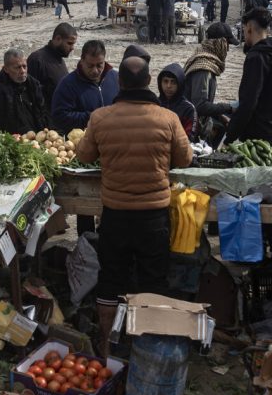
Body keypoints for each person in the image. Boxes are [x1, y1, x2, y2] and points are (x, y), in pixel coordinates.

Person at [74, 55, 192, 299]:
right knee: (154, 280)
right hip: (154, 217)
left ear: (120, 83)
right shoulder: (168, 118)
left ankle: (110, 324)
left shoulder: (100, 117)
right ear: (149, 81)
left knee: (112, 279)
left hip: (115, 215)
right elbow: (185, 159)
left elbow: (84, 156)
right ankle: (148, 322)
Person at [220, 8, 272, 151]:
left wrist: (229, 138)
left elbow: (248, 102)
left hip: (257, 138)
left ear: (250, 27)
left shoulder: (256, 57)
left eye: (244, 29)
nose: (244, 34)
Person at [51, 39, 119, 131]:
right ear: (82, 61)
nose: (95, 71)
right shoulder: (67, 84)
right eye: (90, 66)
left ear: (104, 60)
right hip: (83, 138)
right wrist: (91, 117)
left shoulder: (116, 78)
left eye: (99, 65)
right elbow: (59, 117)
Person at [181, 28, 232, 139]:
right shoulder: (203, 69)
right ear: (219, 44)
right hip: (190, 124)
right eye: (227, 44)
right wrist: (229, 107)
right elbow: (200, 106)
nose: (228, 49)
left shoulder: (204, 60)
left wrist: (220, 116)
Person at [0, 48, 50, 136]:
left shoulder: (33, 85)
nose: (22, 71)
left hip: (34, 139)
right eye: (17, 67)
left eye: (24, 66)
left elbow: (43, 111)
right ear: (6, 69)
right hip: (8, 140)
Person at [27, 23, 77, 108]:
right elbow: (30, 95)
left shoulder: (59, 59)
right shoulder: (37, 59)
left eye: (73, 44)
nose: (72, 48)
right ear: (58, 39)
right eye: (69, 43)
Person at [156, 62, 197, 135]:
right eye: (165, 81)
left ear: (180, 84)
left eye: (173, 82)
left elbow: (190, 136)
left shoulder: (188, 109)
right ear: (160, 83)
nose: (168, 86)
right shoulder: (154, 104)